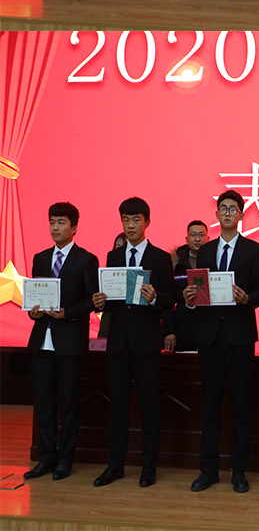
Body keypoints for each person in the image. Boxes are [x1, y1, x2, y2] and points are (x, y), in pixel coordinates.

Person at [184, 191, 259, 494]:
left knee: (241, 406)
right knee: (210, 407)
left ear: (241, 215)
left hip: (239, 337)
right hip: (209, 337)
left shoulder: (253, 249)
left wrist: (248, 299)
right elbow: (199, 290)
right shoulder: (205, 251)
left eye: (233, 209)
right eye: (223, 208)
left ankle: (239, 471)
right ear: (216, 215)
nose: (228, 213)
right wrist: (190, 299)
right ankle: (208, 470)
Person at [92, 197, 175, 488]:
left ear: (147, 222)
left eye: (136, 220)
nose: (130, 225)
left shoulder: (159, 257)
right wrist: (100, 301)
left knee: (149, 406)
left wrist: (155, 298)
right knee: (117, 407)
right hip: (118, 343)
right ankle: (115, 466)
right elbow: (111, 300)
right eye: (126, 220)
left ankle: (148, 467)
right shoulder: (113, 257)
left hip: (146, 343)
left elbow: (170, 299)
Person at [24, 203, 99, 482]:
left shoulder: (86, 260)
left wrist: (68, 313)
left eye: (61, 222)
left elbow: (92, 300)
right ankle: (46, 456)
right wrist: (33, 311)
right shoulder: (41, 258)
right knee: (43, 402)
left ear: (74, 227)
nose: (55, 228)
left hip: (69, 342)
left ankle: (66, 458)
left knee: (68, 402)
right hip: (41, 341)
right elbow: (35, 295)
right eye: (52, 222)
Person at [163, 220, 209, 352]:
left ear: (208, 238)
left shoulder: (214, 261)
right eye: (193, 235)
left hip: (207, 327)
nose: (197, 239)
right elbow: (168, 300)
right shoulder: (175, 263)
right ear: (187, 238)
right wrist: (169, 331)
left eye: (201, 235)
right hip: (181, 328)